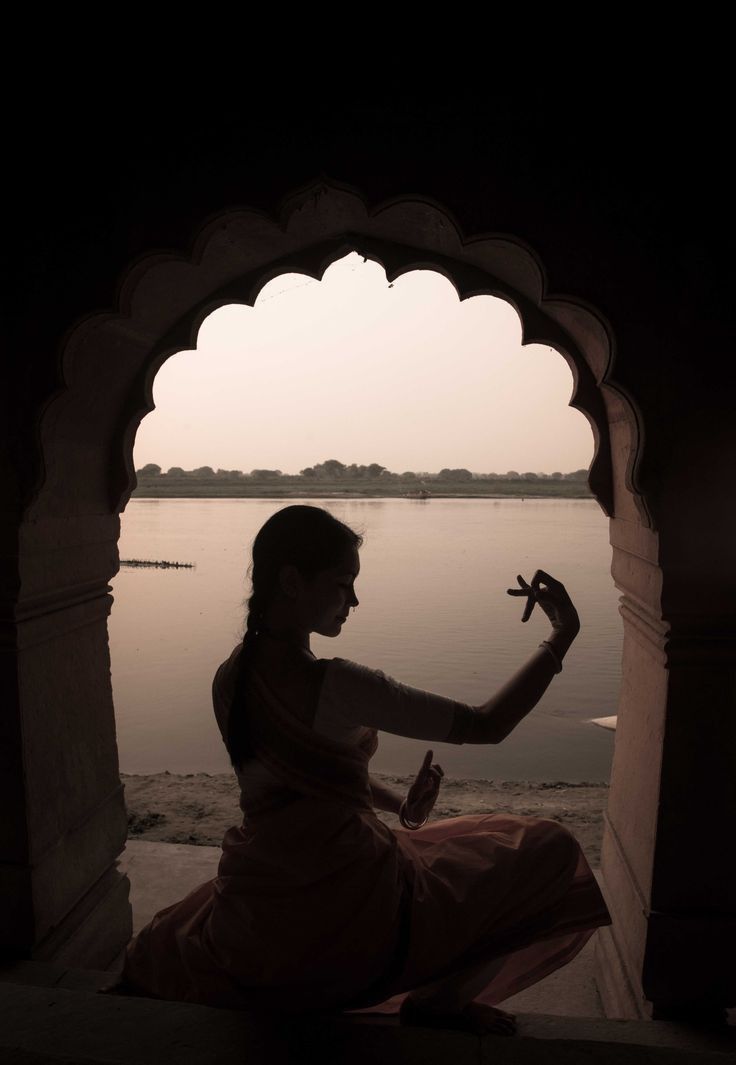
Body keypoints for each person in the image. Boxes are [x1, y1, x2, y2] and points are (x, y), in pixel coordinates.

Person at [120, 504, 610, 1036]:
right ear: (290, 580)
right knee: (545, 847)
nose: (353, 601)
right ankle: (441, 1003)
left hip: (260, 909)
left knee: (453, 848)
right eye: (342, 583)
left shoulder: (230, 676)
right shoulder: (340, 686)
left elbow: (299, 787)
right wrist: (562, 634)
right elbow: (487, 724)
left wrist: (400, 805)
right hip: (349, 910)